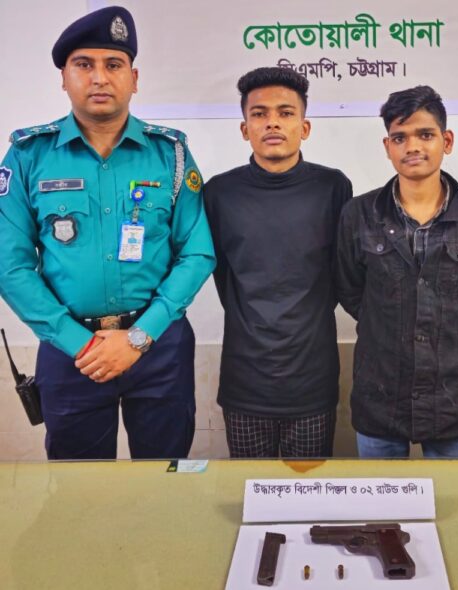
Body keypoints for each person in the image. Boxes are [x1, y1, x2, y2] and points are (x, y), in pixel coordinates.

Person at [0, 6, 215, 459]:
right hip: (70, 350)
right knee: (78, 482)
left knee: (165, 477)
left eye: (113, 65)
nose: (99, 77)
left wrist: (140, 336)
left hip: (159, 345)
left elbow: (196, 253)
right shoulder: (27, 156)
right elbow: (10, 266)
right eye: (84, 64)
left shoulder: (171, 154)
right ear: (64, 78)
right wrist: (80, 344)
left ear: (133, 79)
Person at [335, 86, 458, 458]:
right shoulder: (358, 215)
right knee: (382, 497)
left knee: (453, 495)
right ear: (387, 147)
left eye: (425, 135)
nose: (412, 146)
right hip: (380, 395)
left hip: (454, 400)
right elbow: (350, 291)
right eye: (400, 137)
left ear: (447, 141)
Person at [203, 67, 352, 458]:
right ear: (244, 129)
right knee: (250, 486)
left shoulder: (333, 187)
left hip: (312, 379)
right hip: (244, 379)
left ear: (305, 127)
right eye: (259, 113)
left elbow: (341, 274)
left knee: (308, 489)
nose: (272, 122)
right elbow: (222, 275)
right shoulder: (219, 193)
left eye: (285, 113)